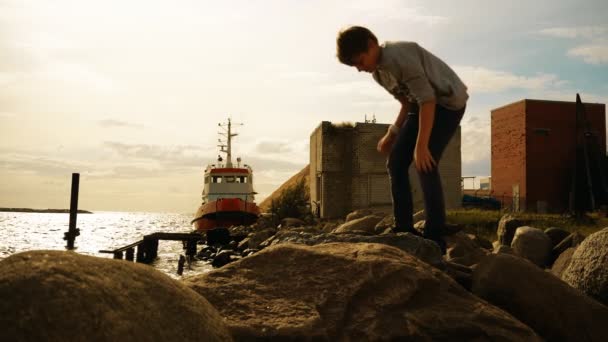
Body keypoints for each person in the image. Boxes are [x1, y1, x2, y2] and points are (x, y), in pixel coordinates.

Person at [336, 26, 468, 253]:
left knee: (425, 162)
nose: (359, 69)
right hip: (421, 105)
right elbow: (409, 103)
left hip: (448, 104)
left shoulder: (399, 57)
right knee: (395, 162)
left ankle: (436, 234)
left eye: (359, 61)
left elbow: (428, 100)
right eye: (355, 66)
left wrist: (421, 145)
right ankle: (404, 228)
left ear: (371, 45)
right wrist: (392, 132)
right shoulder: (378, 73)